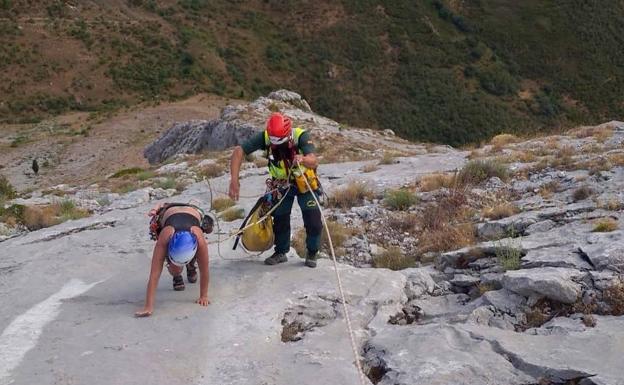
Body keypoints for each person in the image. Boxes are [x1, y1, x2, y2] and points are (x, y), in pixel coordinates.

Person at [229, 112, 322, 268]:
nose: (276, 145)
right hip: (281, 185)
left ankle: (312, 252)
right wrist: (234, 180)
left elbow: (314, 161)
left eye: (280, 141)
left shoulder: (301, 136)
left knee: (313, 220)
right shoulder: (266, 137)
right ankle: (281, 251)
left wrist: (303, 159)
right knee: (280, 218)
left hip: (304, 184)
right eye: (273, 141)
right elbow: (239, 151)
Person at [135, 203, 210, 317]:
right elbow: (154, 274)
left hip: (192, 211)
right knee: (175, 270)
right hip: (170, 211)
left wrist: (203, 296)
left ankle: (190, 265)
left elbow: (204, 270)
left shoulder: (199, 238)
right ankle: (176, 274)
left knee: (194, 261)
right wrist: (148, 306)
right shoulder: (165, 236)